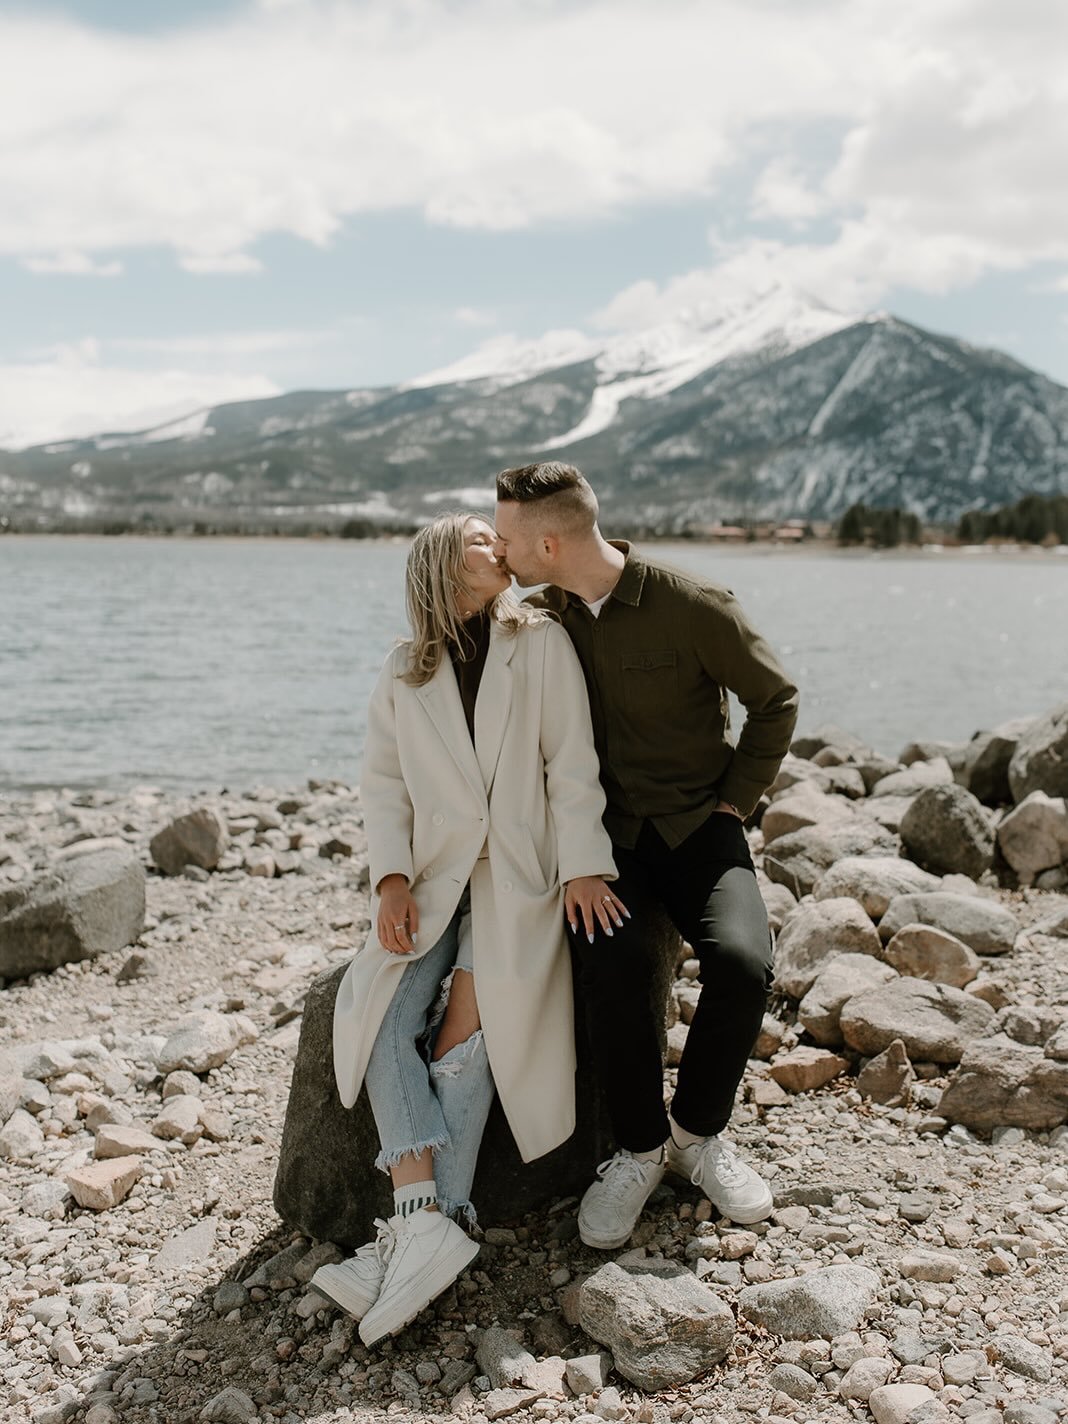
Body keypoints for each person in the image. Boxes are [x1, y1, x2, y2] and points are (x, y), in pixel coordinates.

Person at [313, 511, 623, 1345]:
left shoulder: (542, 642)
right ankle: (427, 1220)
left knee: (466, 1027)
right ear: (446, 564)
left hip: (517, 880)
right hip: (433, 877)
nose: (503, 546)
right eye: (484, 539)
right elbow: (383, 784)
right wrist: (389, 880)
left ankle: (420, 1228)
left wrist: (584, 864)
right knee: (379, 1012)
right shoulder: (403, 668)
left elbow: (572, 762)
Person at [493, 463, 799, 1249]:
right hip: (606, 840)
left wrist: (738, 798)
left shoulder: (694, 605)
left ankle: (697, 1136)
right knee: (614, 963)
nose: (500, 552)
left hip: (701, 826)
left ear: (550, 544)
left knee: (743, 963)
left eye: (507, 539)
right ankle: (638, 1150)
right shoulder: (537, 620)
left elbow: (775, 699)